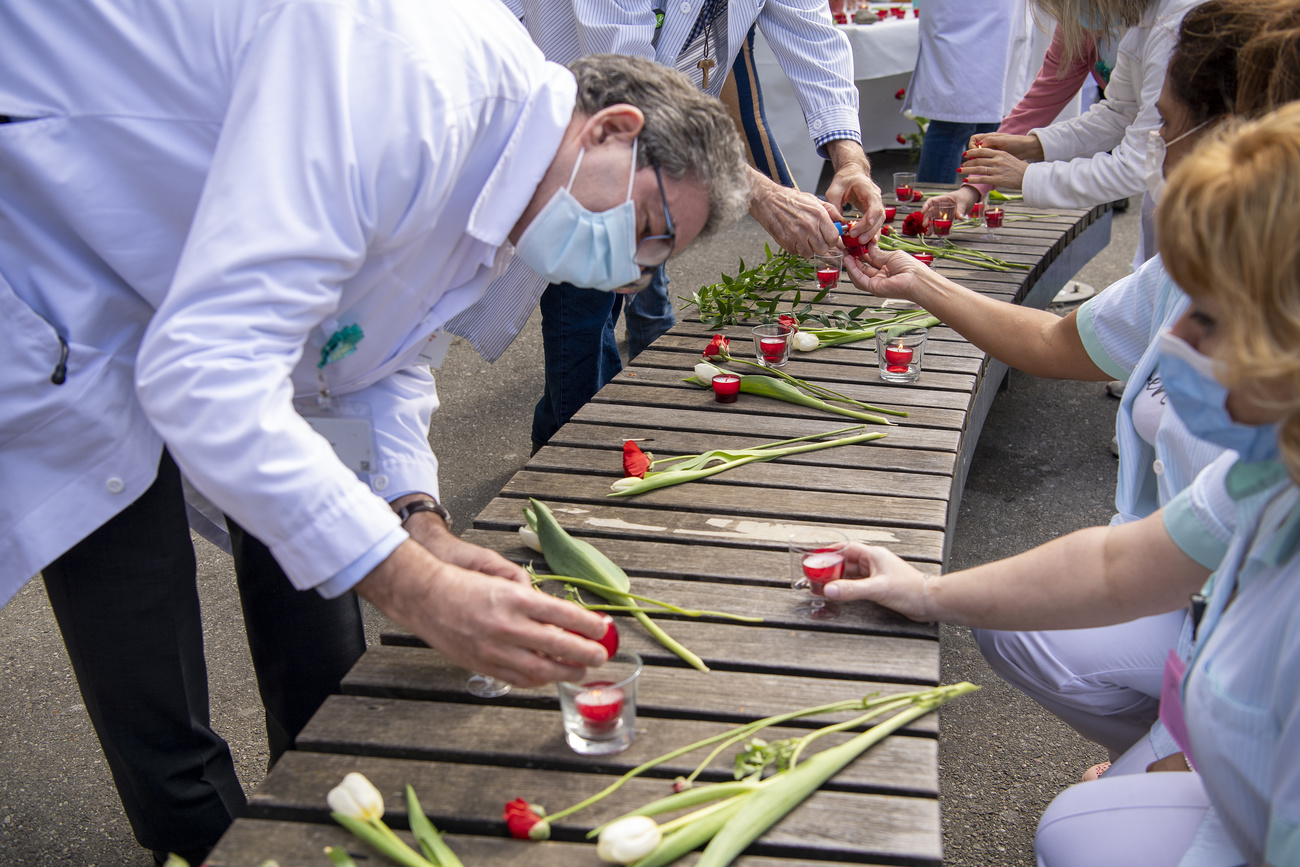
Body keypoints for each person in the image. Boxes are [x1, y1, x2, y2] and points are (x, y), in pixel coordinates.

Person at [0, 0, 750, 860]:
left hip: (172, 290)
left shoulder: (505, 175)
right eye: (649, 231)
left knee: (317, 609)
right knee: (143, 638)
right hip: (44, 249)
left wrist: (416, 515)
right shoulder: (415, 95)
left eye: (652, 263)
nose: (629, 274)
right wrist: (413, 588)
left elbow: (376, 353)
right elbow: (205, 369)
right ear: (614, 127)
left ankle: (314, 823)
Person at [831, 101, 1300, 867]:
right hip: (1247, 804)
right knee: (1078, 829)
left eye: (1208, 317)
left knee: (1082, 839)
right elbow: (1118, 566)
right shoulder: (1270, 472)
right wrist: (925, 591)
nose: (1169, 340)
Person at [513, 0, 886, 452]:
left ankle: (558, 433)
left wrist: (850, 159)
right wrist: (762, 193)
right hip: (563, 128)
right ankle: (568, 457)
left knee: (604, 300)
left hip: (642, 137)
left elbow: (816, 40)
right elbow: (626, 79)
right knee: (583, 297)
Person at [957, 0, 1199, 265]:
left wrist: (1027, 176)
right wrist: (1031, 145)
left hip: (1209, 185)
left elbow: (1138, 162)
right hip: (1176, 183)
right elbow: (1119, 112)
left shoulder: (1170, 27)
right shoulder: (1138, 21)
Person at [903, 0, 1022, 184]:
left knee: (990, 116)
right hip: (957, 15)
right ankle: (933, 203)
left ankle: (980, 202)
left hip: (997, 16)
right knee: (951, 120)